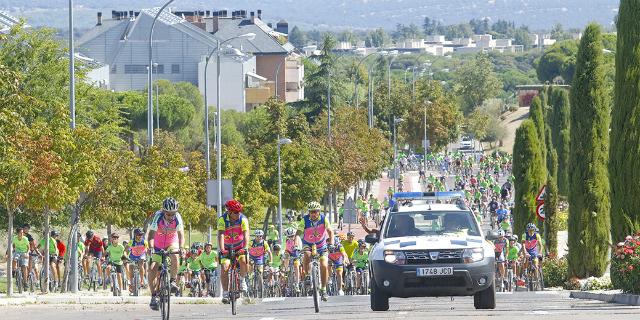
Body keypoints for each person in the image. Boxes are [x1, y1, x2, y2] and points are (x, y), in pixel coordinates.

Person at [148, 197, 186, 311]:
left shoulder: (178, 218)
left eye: (172, 214)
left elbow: (181, 235)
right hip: (157, 244)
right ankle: (153, 296)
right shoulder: (158, 216)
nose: (170, 216)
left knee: (175, 255)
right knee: (153, 268)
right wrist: (150, 247)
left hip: (171, 242)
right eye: (168, 214)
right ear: (163, 211)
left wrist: (182, 248)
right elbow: (150, 236)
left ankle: (173, 281)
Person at [298, 201, 334, 302]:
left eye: (315, 212)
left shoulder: (324, 219)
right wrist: (297, 240)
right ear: (309, 212)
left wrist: (331, 243)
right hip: (308, 244)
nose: (313, 214)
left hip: (321, 245)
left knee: (323, 265)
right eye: (311, 212)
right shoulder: (304, 220)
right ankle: (308, 275)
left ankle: (323, 289)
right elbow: (299, 231)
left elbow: (330, 231)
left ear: (319, 212)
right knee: (306, 254)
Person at [217, 199, 250, 304]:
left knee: (244, 261)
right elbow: (221, 235)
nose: (238, 213)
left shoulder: (243, 219)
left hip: (239, 246)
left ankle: (242, 279)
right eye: (236, 212)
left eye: (239, 211)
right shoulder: (222, 220)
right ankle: (225, 293)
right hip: (227, 248)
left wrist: (245, 247)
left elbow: (246, 234)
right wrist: (222, 249)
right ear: (229, 212)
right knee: (225, 267)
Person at [283, 227, 302, 292]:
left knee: (296, 265)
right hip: (290, 253)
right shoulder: (287, 240)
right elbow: (286, 248)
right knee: (285, 256)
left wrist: (298, 249)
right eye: (289, 236)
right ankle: (286, 269)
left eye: (292, 236)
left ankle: (297, 283)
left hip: (297, 253)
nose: (291, 237)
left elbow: (300, 246)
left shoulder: (297, 238)